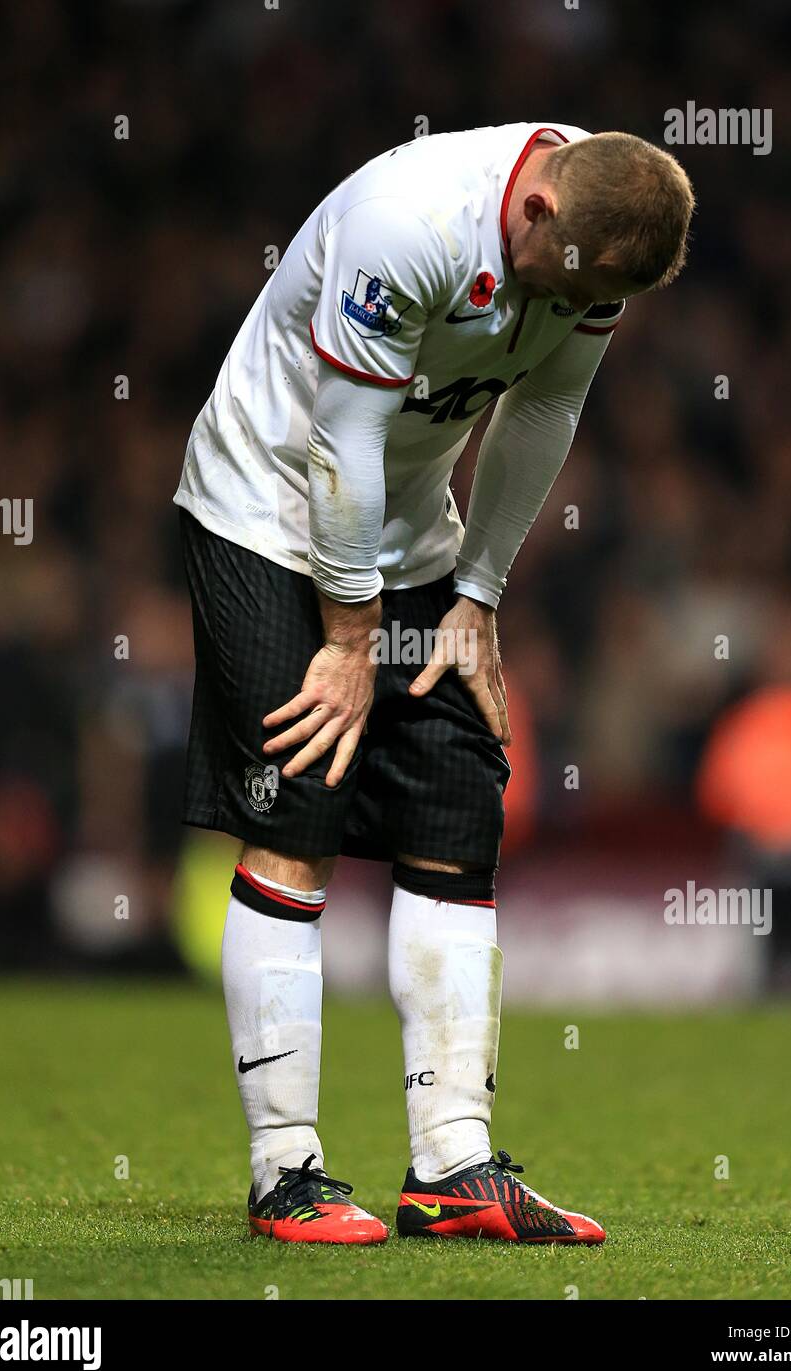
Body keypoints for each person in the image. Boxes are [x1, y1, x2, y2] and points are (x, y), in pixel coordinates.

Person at [175, 121, 694, 1244]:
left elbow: (543, 408)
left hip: (406, 533)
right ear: (540, 207)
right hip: (266, 511)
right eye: (570, 283)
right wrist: (353, 640)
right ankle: (285, 1172)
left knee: (461, 802)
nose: (574, 305)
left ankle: (451, 1165)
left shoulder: (599, 245)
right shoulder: (405, 223)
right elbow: (341, 435)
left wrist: (479, 595)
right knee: (301, 806)